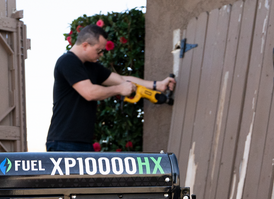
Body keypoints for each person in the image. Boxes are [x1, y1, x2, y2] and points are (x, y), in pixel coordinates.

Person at [45, 24, 176, 152]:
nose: (101, 54)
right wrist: (118, 89)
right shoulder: (67, 61)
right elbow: (89, 92)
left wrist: (157, 85)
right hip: (63, 143)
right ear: (85, 45)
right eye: (99, 50)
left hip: (82, 142)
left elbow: (123, 80)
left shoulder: (92, 66)